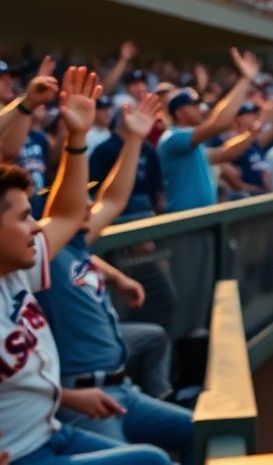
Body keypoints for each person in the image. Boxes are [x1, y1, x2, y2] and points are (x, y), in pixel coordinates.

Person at [0, 65, 170, 464]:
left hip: (54, 427)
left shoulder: (16, 270)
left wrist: (78, 137)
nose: (37, 228)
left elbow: (69, 216)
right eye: (23, 218)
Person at [37, 95, 193, 462]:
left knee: (197, 429)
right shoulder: (43, 254)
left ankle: (161, 393)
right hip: (83, 398)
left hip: (122, 389)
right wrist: (76, 136)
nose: (90, 205)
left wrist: (135, 139)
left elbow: (114, 198)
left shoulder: (76, 245)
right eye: (80, 203)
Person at [156, 48, 260, 212]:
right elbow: (218, 124)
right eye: (193, 106)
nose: (200, 109)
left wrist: (250, 134)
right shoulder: (173, 138)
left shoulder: (191, 145)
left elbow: (228, 153)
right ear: (179, 113)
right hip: (183, 223)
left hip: (201, 220)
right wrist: (245, 80)